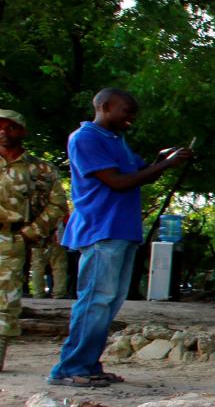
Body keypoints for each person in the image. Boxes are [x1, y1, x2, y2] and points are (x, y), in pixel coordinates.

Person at [48, 89, 194, 387]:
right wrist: (166, 165)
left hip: (121, 229)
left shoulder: (115, 140)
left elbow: (139, 171)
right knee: (95, 300)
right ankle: (71, 368)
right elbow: (117, 182)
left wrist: (161, 160)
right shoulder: (86, 138)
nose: (131, 118)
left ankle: (87, 365)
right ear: (103, 107)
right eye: (126, 111)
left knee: (109, 302)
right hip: (102, 228)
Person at [1, 109, 69, 373]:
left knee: (5, 300)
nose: (4, 131)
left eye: (10, 127)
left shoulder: (40, 169)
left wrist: (31, 232)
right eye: (0, 126)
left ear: (22, 131)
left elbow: (57, 204)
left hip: (11, 237)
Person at [29, 218, 71, 300]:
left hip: (38, 236)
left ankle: (38, 293)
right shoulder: (57, 207)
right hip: (56, 237)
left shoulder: (33, 207)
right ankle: (59, 293)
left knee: (37, 266)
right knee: (59, 266)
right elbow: (66, 221)